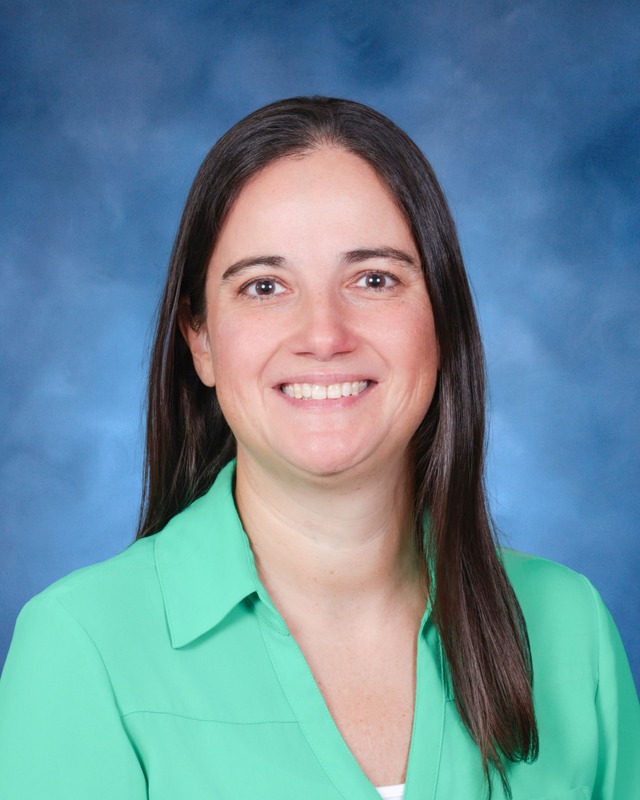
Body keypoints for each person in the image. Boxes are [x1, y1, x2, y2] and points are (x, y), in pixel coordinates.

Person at [0, 97, 638, 800]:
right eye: (264, 287)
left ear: (442, 316)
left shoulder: (571, 628)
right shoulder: (83, 646)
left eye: (374, 279)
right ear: (200, 339)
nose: (324, 335)